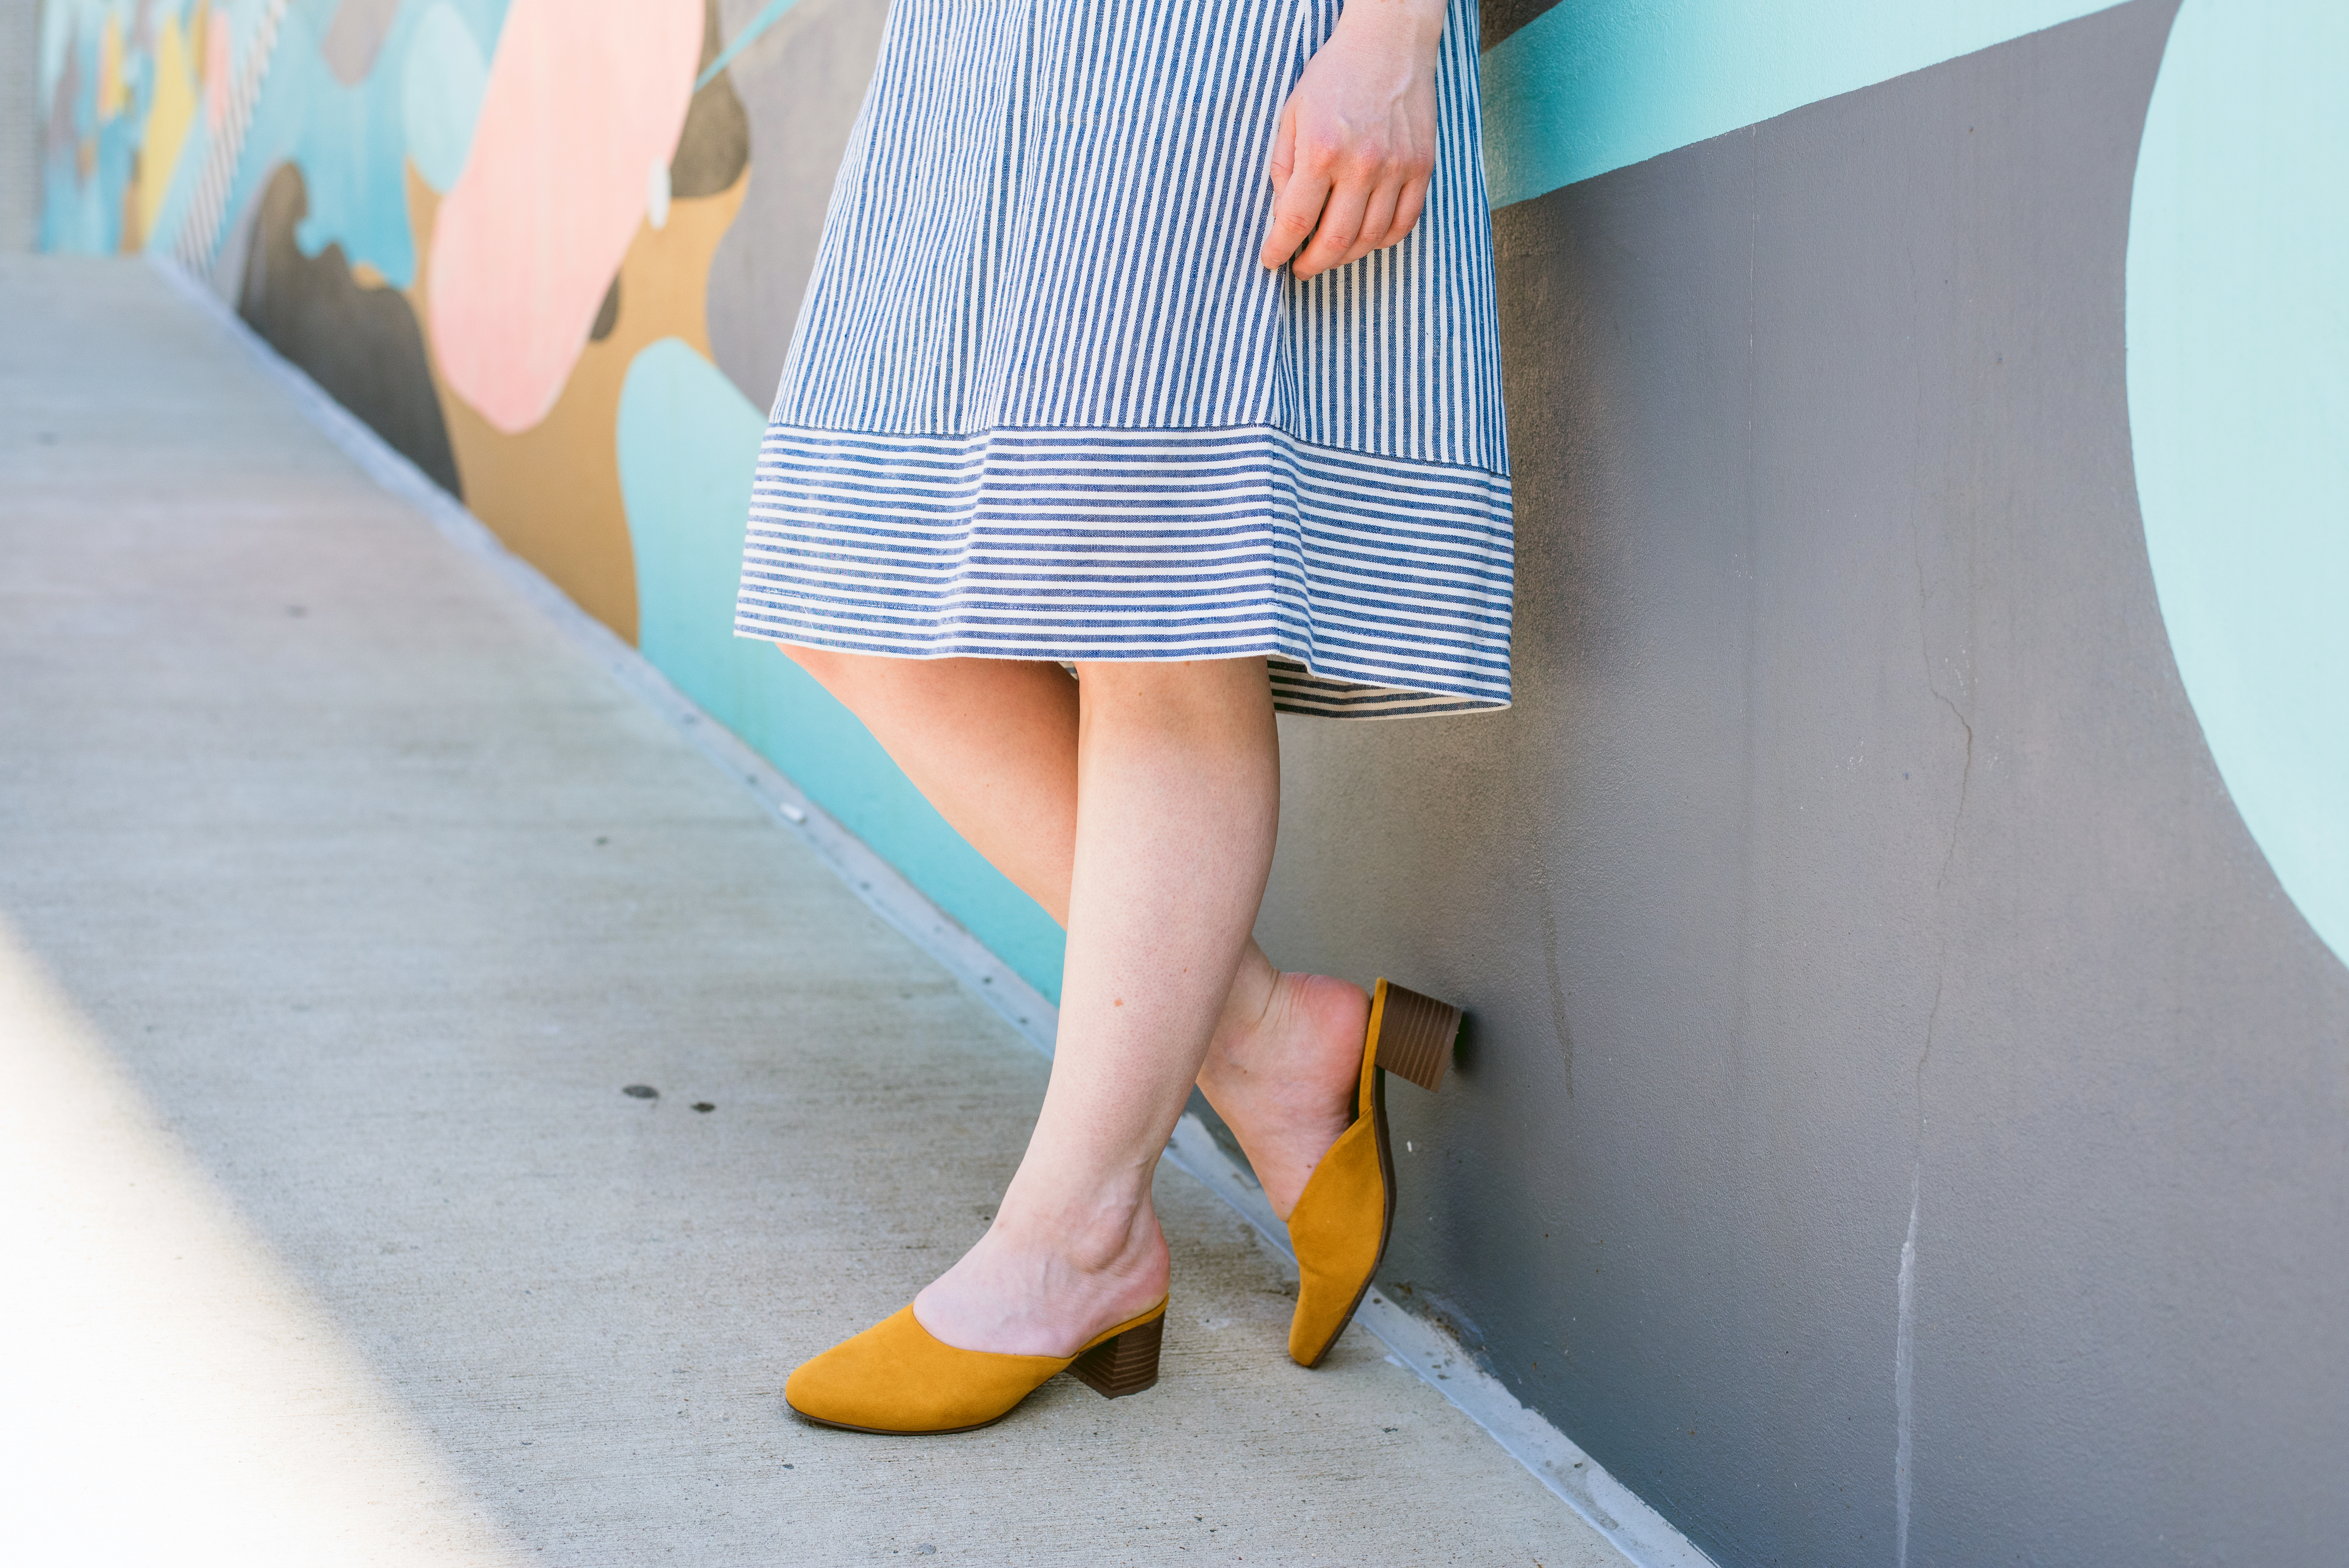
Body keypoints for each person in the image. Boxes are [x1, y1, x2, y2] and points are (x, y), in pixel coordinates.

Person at [733, 0, 1512, 1434]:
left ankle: (1078, 1238)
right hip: (978, 53)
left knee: (1158, 607)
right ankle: (1273, 1042)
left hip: (1210, 52)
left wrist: (1398, 32)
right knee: (851, 593)